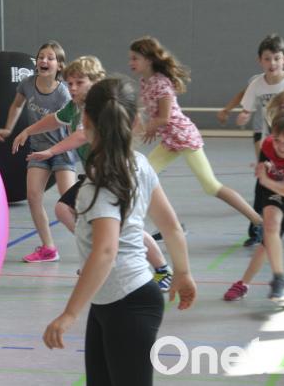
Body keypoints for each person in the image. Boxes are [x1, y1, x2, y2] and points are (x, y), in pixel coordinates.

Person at [42, 78, 196, 386]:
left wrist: (70, 313)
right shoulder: (137, 163)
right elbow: (171, 226)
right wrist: (182, 271)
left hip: (129, 301)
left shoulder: (103, 181)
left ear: (85, 121)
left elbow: (106, 251)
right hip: (111, 300)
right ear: (136, 120)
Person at [17, 56, 175, 291]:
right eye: (69, 83)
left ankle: (162, 269)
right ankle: (99, 257)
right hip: (95, 173)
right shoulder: (74, 106)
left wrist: (51, 150)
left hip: (112, 171)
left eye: (79, 83)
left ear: (95, 82)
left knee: (123, 225)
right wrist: (29, 130)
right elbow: (55, 120)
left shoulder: (97, 107)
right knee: (66, 210)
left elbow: (81, 135)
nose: (72, 88)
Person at [130, 36, 262, 229]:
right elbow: (156, 114)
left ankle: (260, 222)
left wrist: (143, 128)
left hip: (184, 137)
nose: (131, 63)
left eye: (135, 58)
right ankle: (170, 225)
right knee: (143, 176)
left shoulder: (161, 84)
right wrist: (152, 126)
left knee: (211, 186)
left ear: (148, 60)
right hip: (170, 140)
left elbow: (165, 118)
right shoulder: (145, 81)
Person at [0, 41, 77, 263]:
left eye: (50, 58)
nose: (44, 61)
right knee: (33, 196)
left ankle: (91, 245)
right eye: (41, 56)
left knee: (69, 202)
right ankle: (48, 248)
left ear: (59, 65)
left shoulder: (63, 93)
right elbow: (17, 105)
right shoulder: (27, 84)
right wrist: (9, 128)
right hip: (38, 149)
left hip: (61, 151)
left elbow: (69, 124)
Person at [224, 96, 284, 304]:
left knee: (269, 246)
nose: (282, 146)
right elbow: (264, 176)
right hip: (276, 192)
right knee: (270, 228)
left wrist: (267, 180)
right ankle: (277, 279)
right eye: (278, 140)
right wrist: (265, 175)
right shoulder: (269, 144)